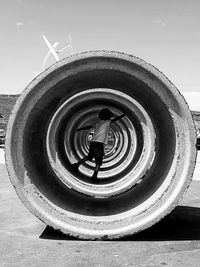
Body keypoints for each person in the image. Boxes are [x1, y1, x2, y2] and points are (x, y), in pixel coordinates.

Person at [72, 108, 126, 181]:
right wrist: (123, 115)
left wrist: (80, 129)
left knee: (89, 157)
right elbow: (115, 119)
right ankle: (94, 176)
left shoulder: (97, 123)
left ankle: (76, 165)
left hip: (93, 142)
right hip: (99, 144)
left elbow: (89, 127)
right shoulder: (107, 122)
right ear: (108, 116)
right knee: (99, 161)